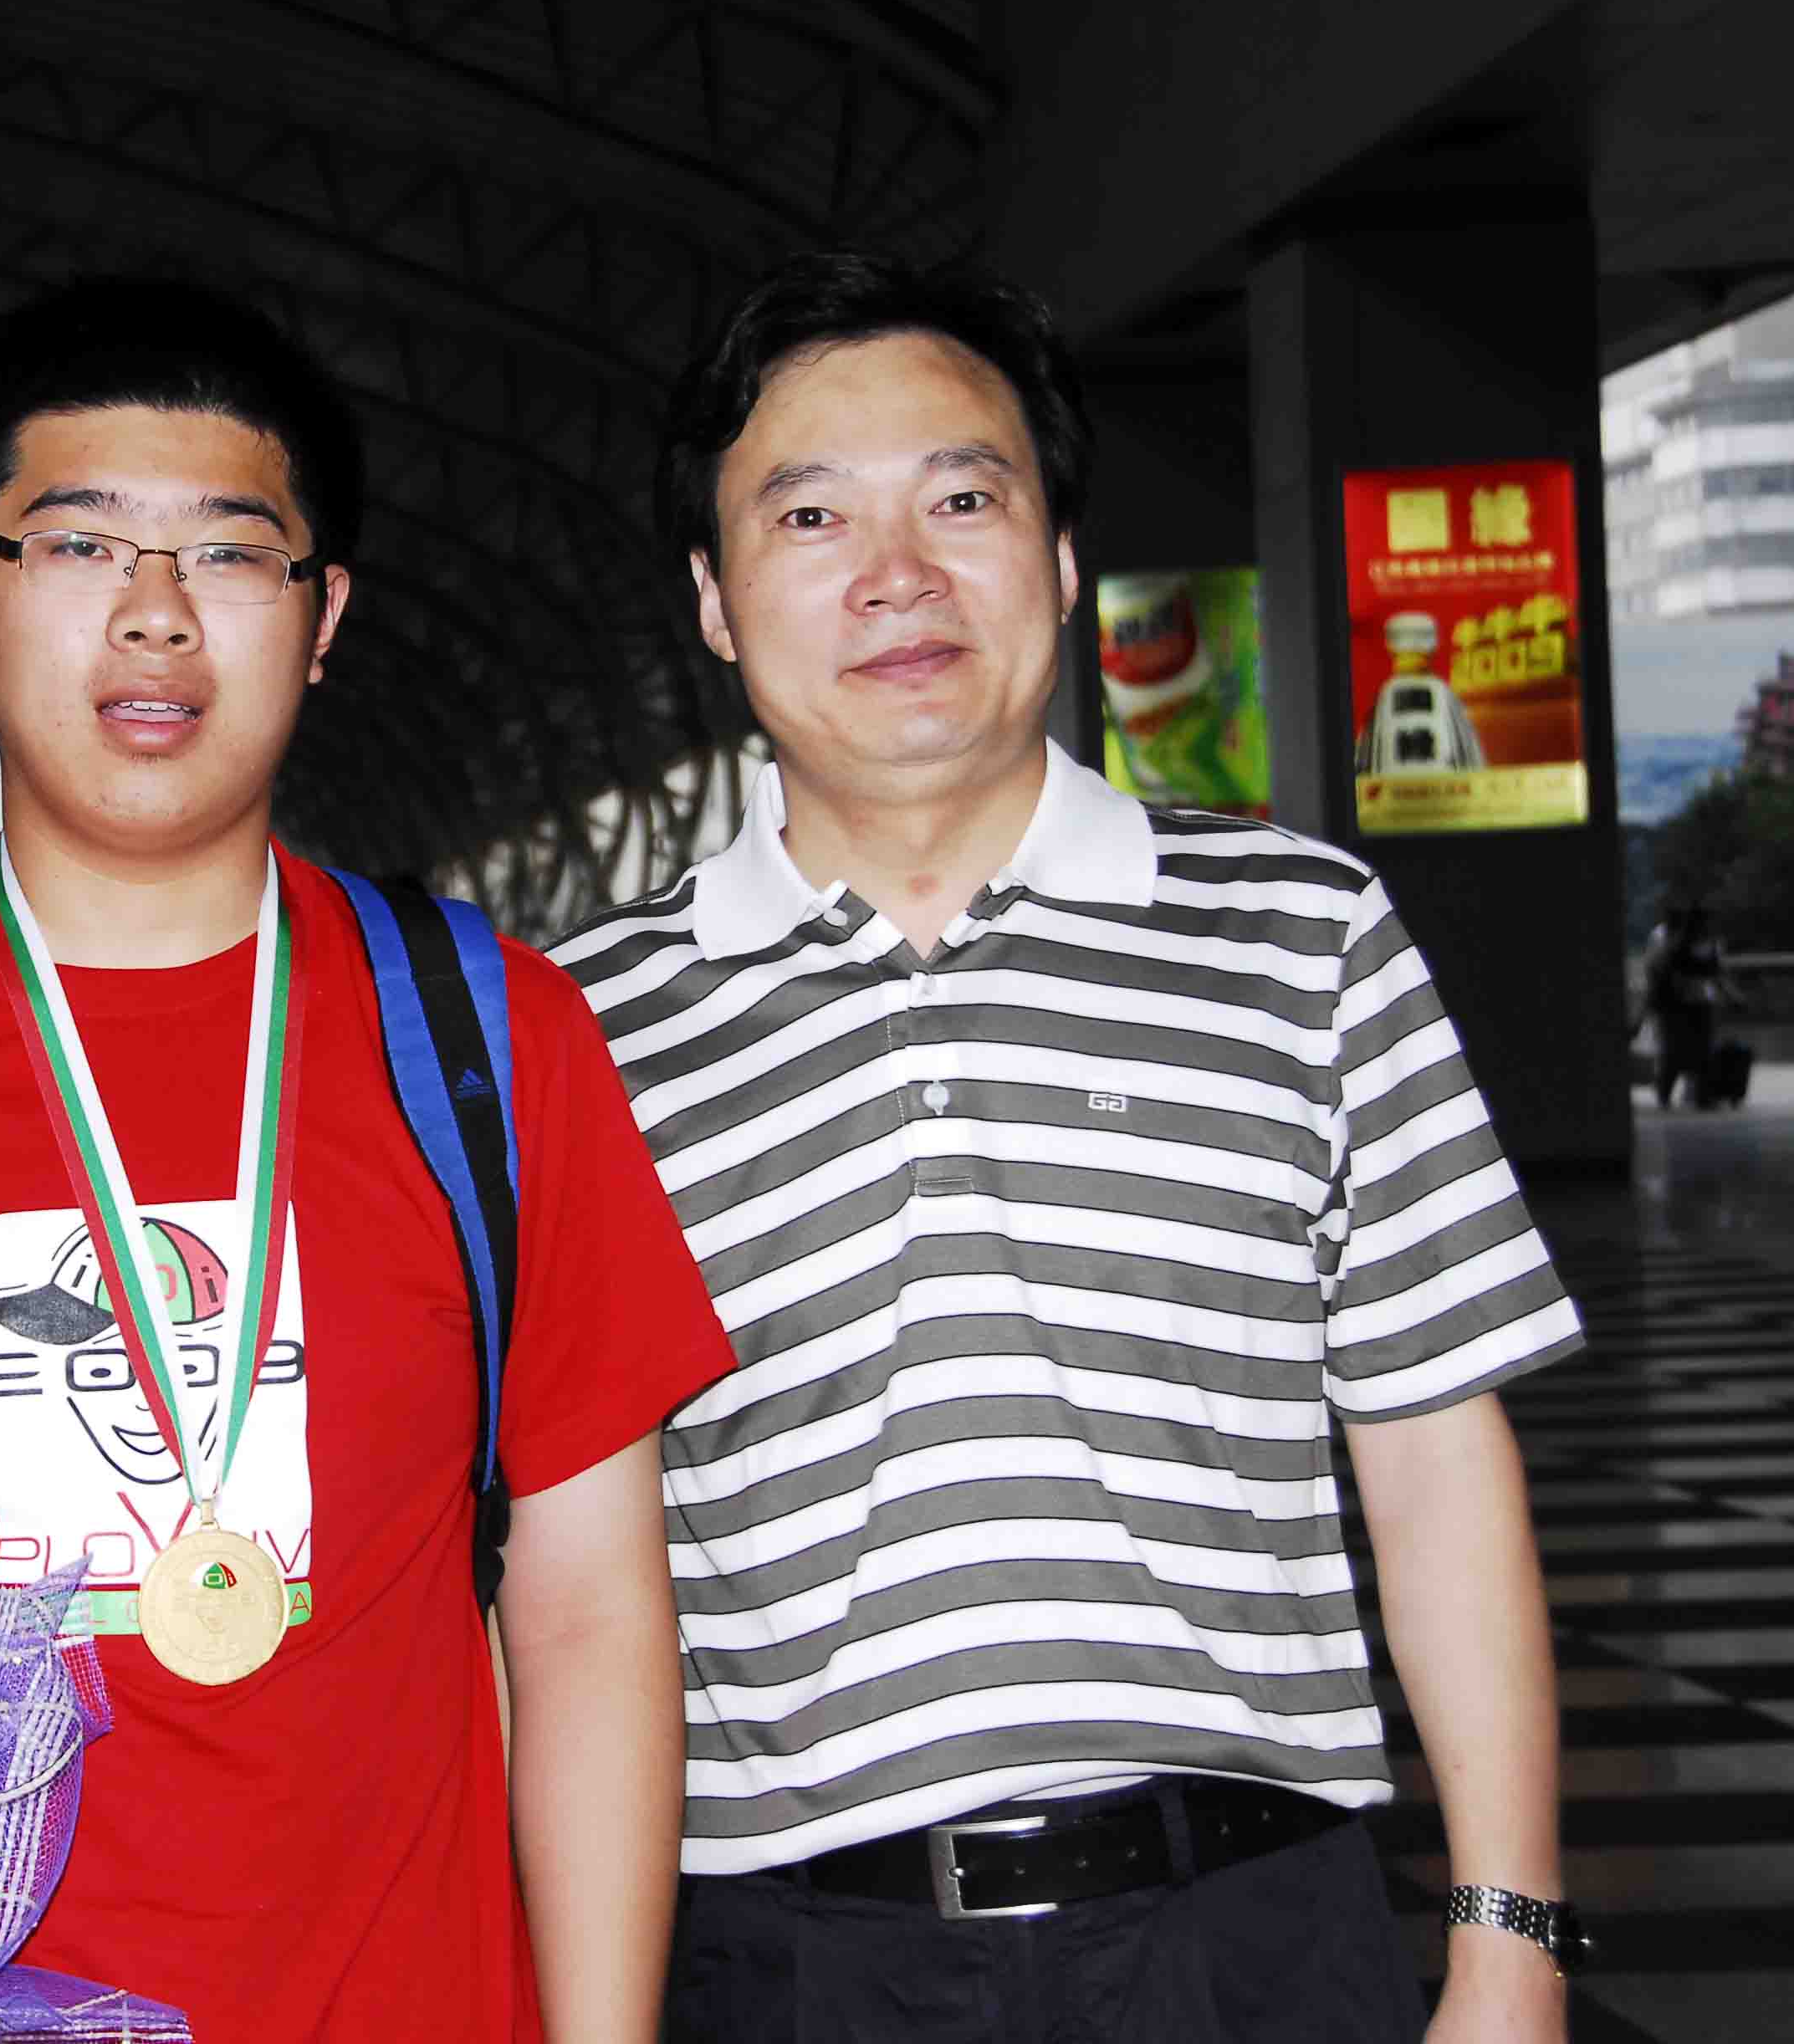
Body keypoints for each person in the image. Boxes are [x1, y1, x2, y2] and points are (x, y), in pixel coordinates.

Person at [0, 280, 734, 2044]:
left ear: (321, 613)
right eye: (74, 545)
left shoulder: (486, 1036)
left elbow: (585, 1609)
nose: (153, 612)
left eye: (228, 553)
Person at [550, 250, 1588, 2042]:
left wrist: (1510, 1942)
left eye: (963, 499)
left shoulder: (1302, 933)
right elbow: (569, 1585)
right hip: (791, 1967)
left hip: (1249, 1943)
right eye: (810, 516)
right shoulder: (579, 1022)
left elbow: (1431, 1453)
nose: (896, 572)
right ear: (714, 600)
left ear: (1057, 558)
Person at [1648, 903, 1722, 1110]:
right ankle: (1667, 1093)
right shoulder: (1679, 947)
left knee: (1703, 1050)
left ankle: (1703, 1095)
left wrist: (1731, 995)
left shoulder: (1709, 946)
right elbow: (1672, 975)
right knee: (1677, 1050)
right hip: (1681, 1005)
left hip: (1701, 1002)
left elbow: (1717, 975)